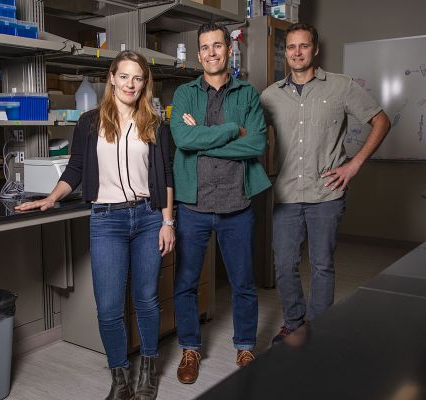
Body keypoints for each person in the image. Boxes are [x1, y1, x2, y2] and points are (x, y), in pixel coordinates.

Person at [16, 50, 175, 400]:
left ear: (144, 82)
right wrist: (51, 197)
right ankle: (120, 379)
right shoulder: (90, 122)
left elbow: (166, 176)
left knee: (146, 299)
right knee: (108, 306)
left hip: (148, 218)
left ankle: (148, 369)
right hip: (107, 220)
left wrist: (167, 222)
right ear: (112, 78)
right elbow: (74, 170)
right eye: (125, 76)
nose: (131, 84)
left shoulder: (155, 123)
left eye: (138, 77)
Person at [260, 23, 391, 343]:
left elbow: (381, 120)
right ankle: (293, 323)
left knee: (321, 266)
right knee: (284, 265)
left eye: (303, 46)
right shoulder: (269, 95)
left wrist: (354, 164)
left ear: (315, 49)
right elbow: (250, 136)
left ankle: (318, 331)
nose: (296, 53)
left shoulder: (341, 86)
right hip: (286, 194)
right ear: (285, 52)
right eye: (291, 47)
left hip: (327, 194)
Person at [170, 22, 271, 384]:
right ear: (198, 55)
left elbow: (257, 144)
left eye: (217, 46)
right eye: (205, 47)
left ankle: (245, 345)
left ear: (228, 50)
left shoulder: (247, 94)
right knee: (185, 282)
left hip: (236, 205)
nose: (211, 53)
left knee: (243, 282)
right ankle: (190, 349)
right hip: (192, 207)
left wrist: (203, 137)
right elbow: (182, 139)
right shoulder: (183, 93)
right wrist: (232, 130)